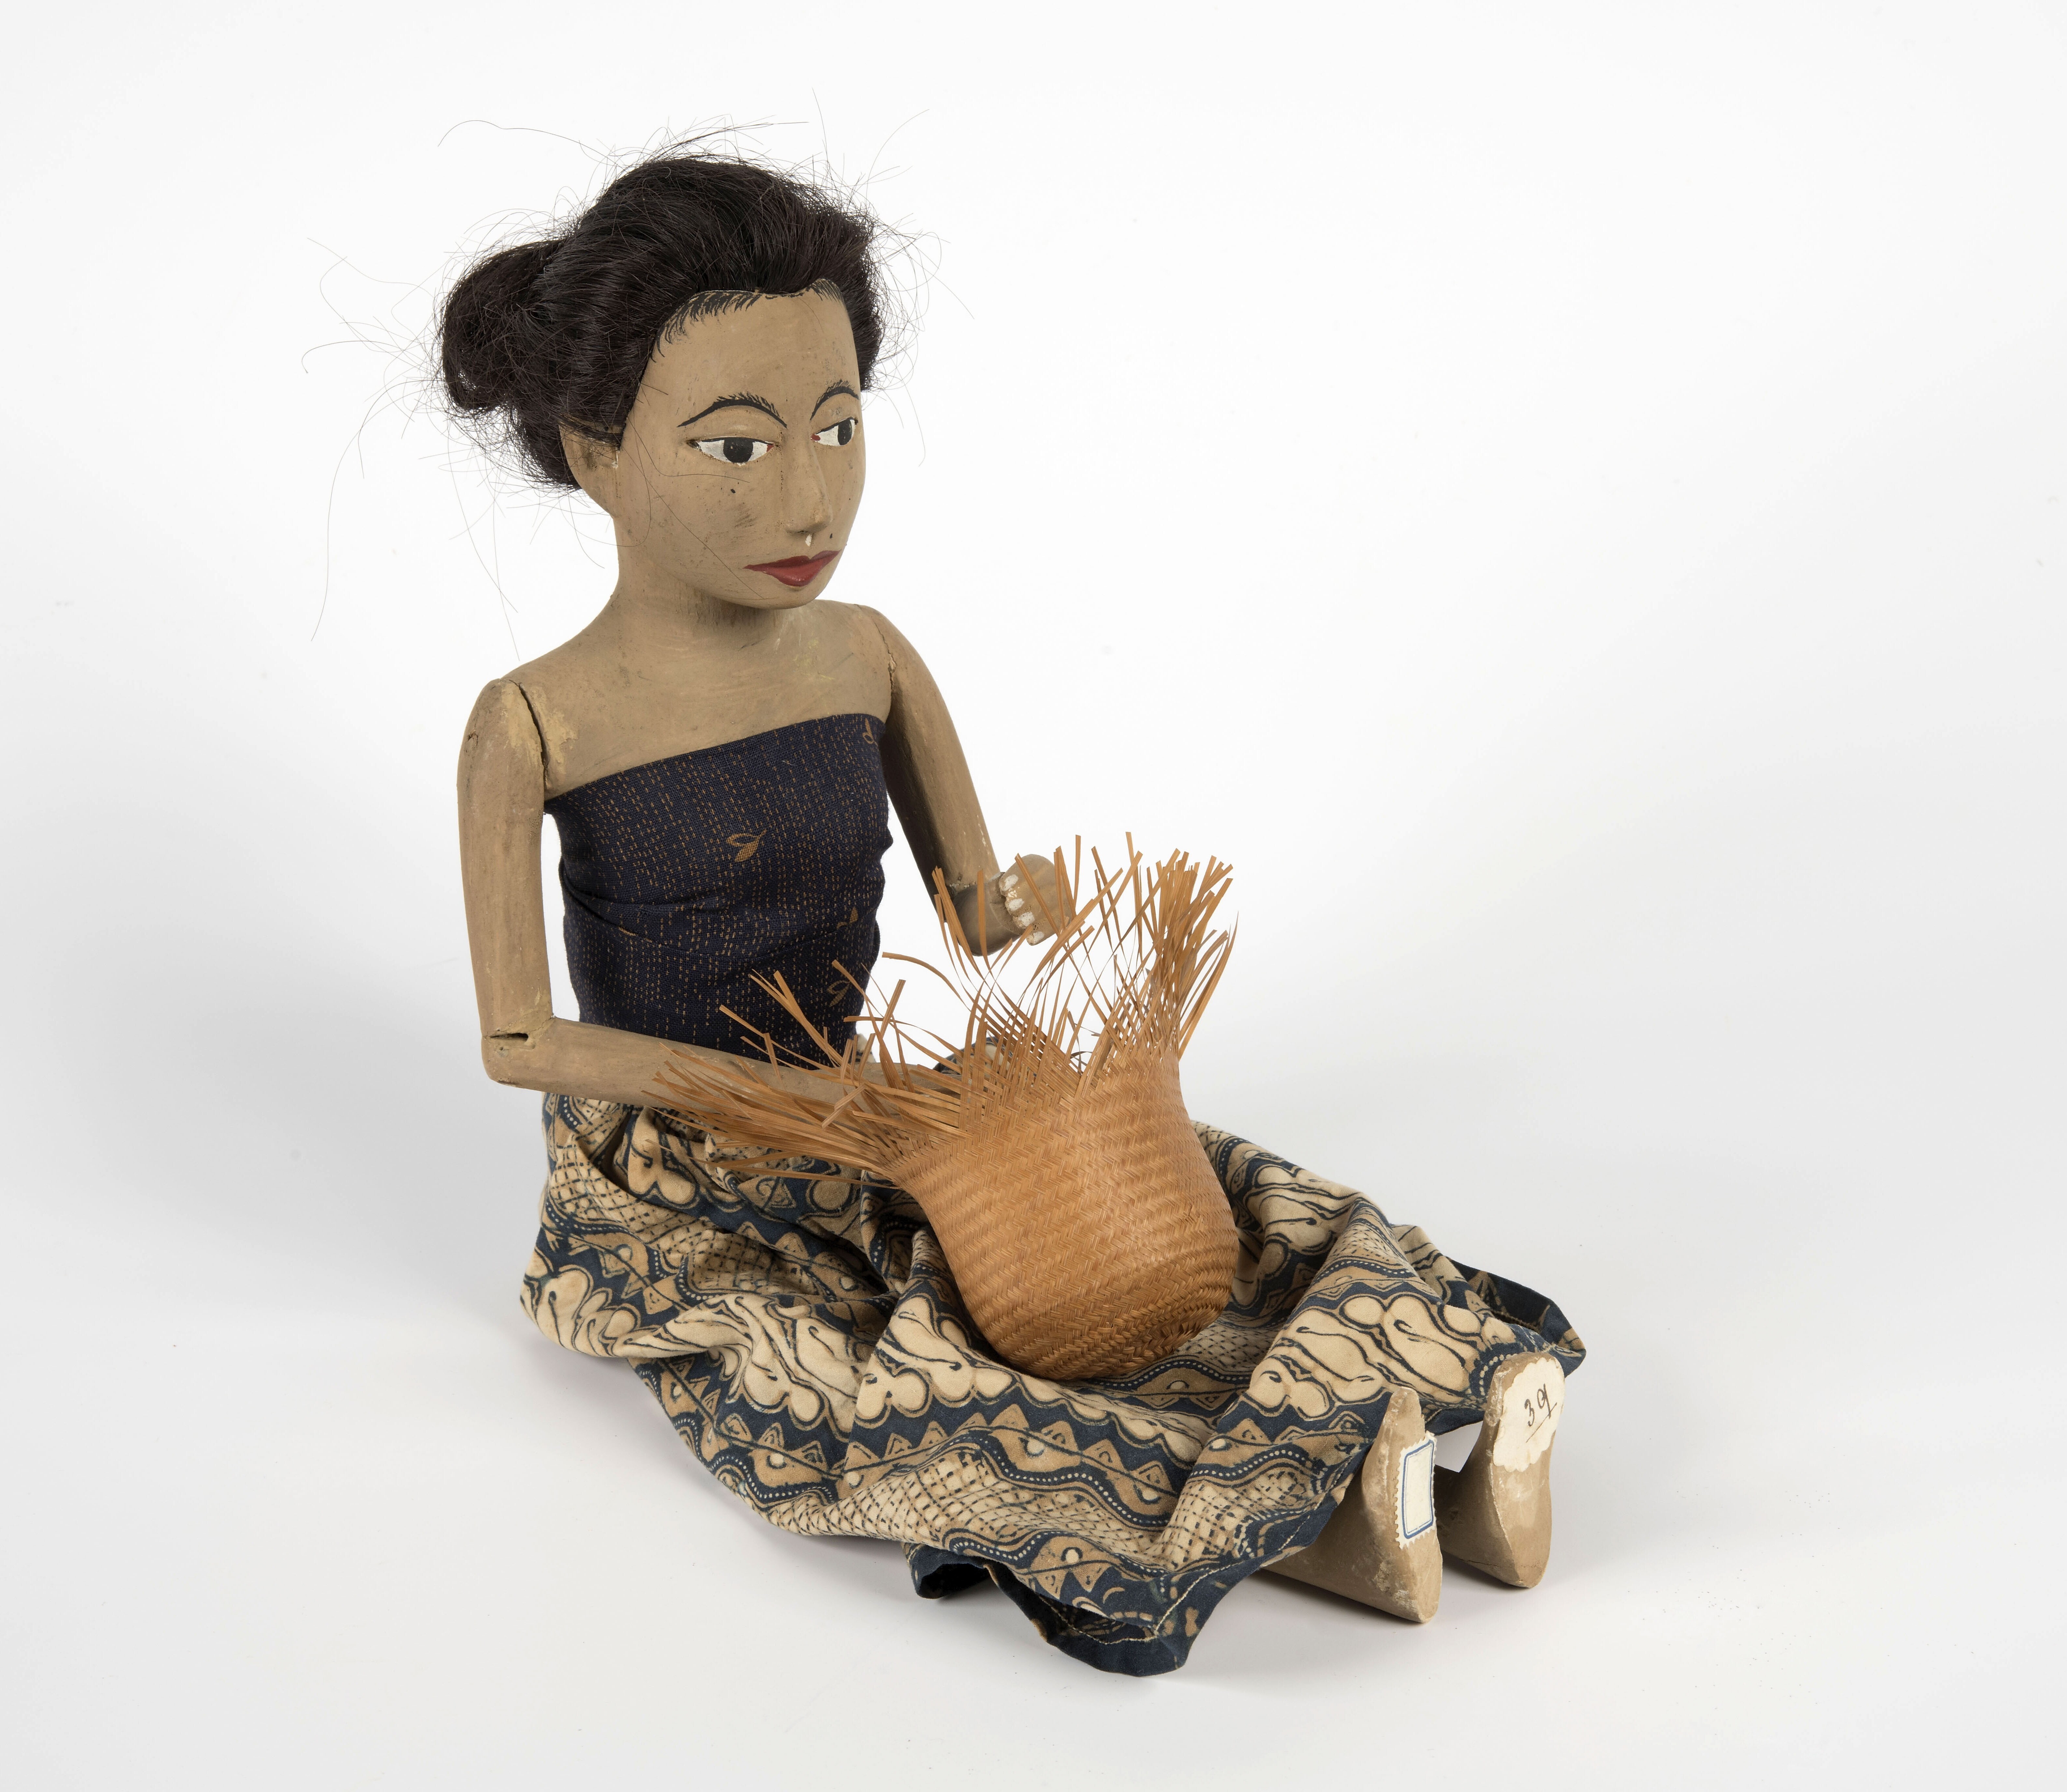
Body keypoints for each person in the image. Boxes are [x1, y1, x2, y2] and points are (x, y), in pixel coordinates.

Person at [448, 145, 1584, 1675]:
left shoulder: (864, 656)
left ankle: (1439, 1396)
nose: (810, 492)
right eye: (737, 446)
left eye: (838, 425)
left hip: (883, 1106)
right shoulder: (539, 720)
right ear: (596, 451)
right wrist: (758, 1097)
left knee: (1178, 1217)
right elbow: (520, 1038)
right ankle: (1336, 1516)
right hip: (678, 1175)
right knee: (864, 1359)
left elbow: (976, 910)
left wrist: (1034, 911)